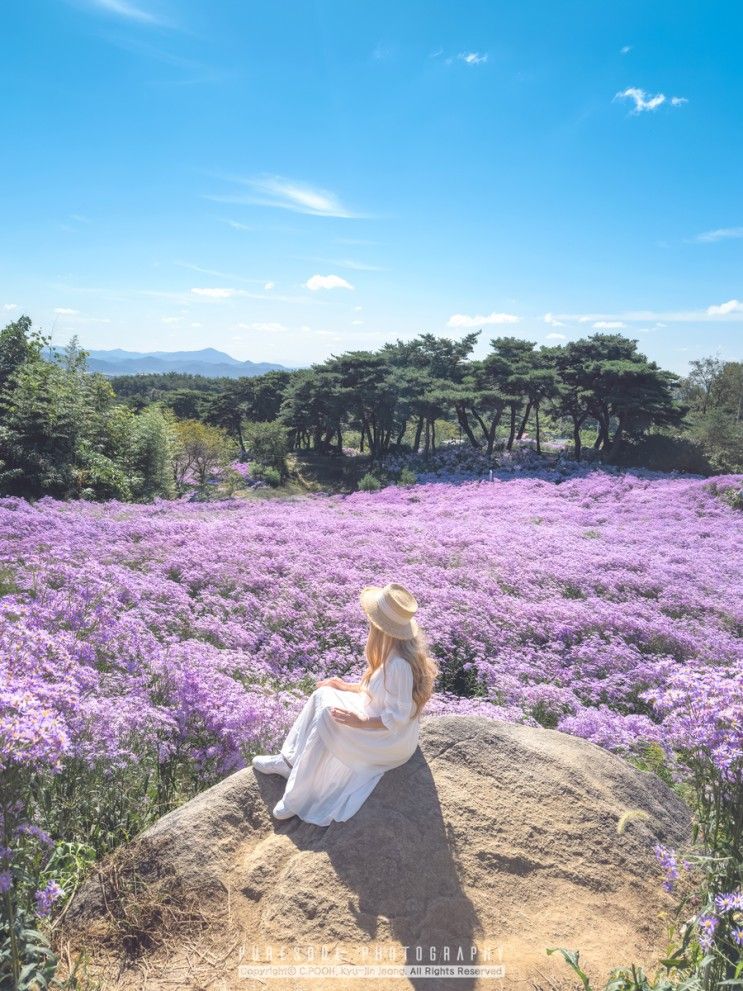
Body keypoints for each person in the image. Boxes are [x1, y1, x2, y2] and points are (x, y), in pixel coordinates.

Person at [252, 582, 438, 826]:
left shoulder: (400, 664)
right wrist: (345, 686)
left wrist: (360, 722)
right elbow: (380, 693)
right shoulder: (392, 653)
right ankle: (288, 762)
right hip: (377, 717)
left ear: (382, 627)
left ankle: (297, 797)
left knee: (328, 719)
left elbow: (398, 717)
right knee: (323, 695)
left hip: (390, 740)